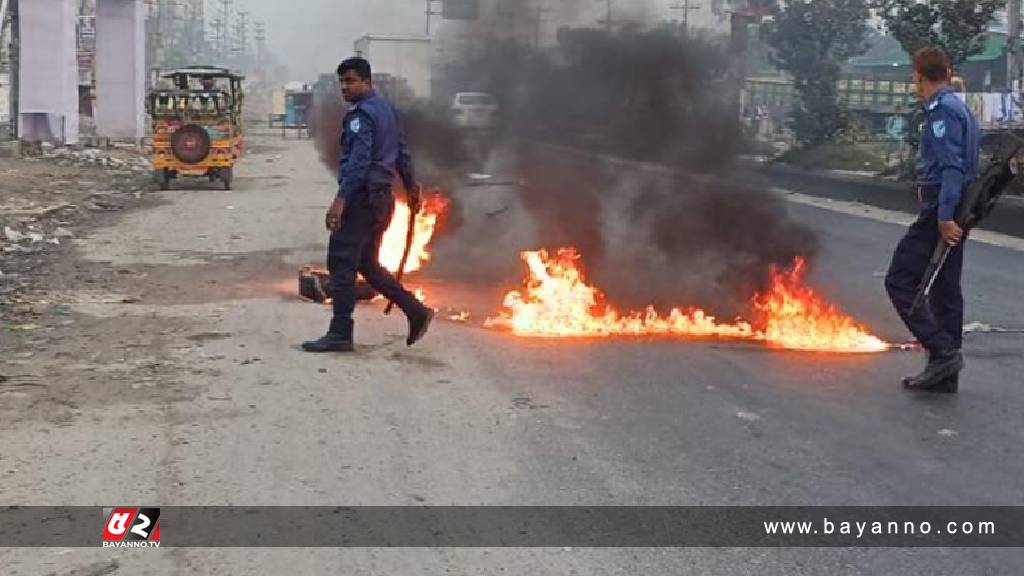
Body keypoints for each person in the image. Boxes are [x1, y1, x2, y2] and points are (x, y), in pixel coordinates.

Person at [303, 57, 433, 353]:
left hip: (362, 199)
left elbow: (359, 163)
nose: (344, 88)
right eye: (341, 83)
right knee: (368, 265)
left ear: (366, 81)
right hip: (381, 201)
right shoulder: (387, 111)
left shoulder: (360, 116)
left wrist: (340, 201)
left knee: (341, 262)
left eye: (350, 81)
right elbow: (402, 152)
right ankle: (416, 311)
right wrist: (411, 186)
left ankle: (340, 333)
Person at [885, 47, 980, 393]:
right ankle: (945, 375)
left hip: (942, 210)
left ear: (918, 77)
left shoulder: (942, 111)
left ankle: (941, 352)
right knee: (944, 289)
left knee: (899, 280)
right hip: (959, 209)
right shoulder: (962, 108)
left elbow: (952, 167)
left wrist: (942, 217)